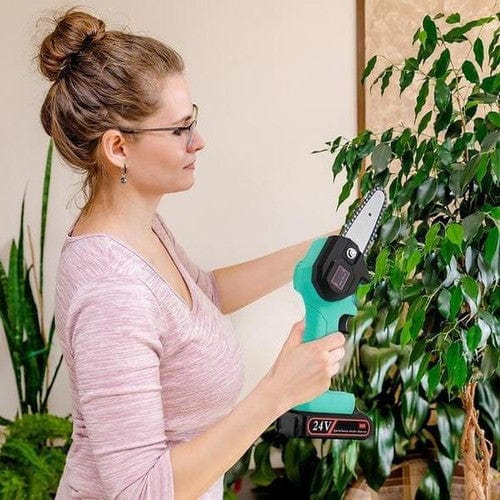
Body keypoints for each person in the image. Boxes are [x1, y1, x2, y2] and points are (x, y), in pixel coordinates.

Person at [39, 9, 346, 500]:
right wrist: (278, 392)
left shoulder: (140, 229)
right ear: (118, 148)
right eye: (180, 129)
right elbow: (140, 491)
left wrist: (318, 250)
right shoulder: (111, 290)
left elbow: (203, 295)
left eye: (193, 121)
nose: (198, 142)